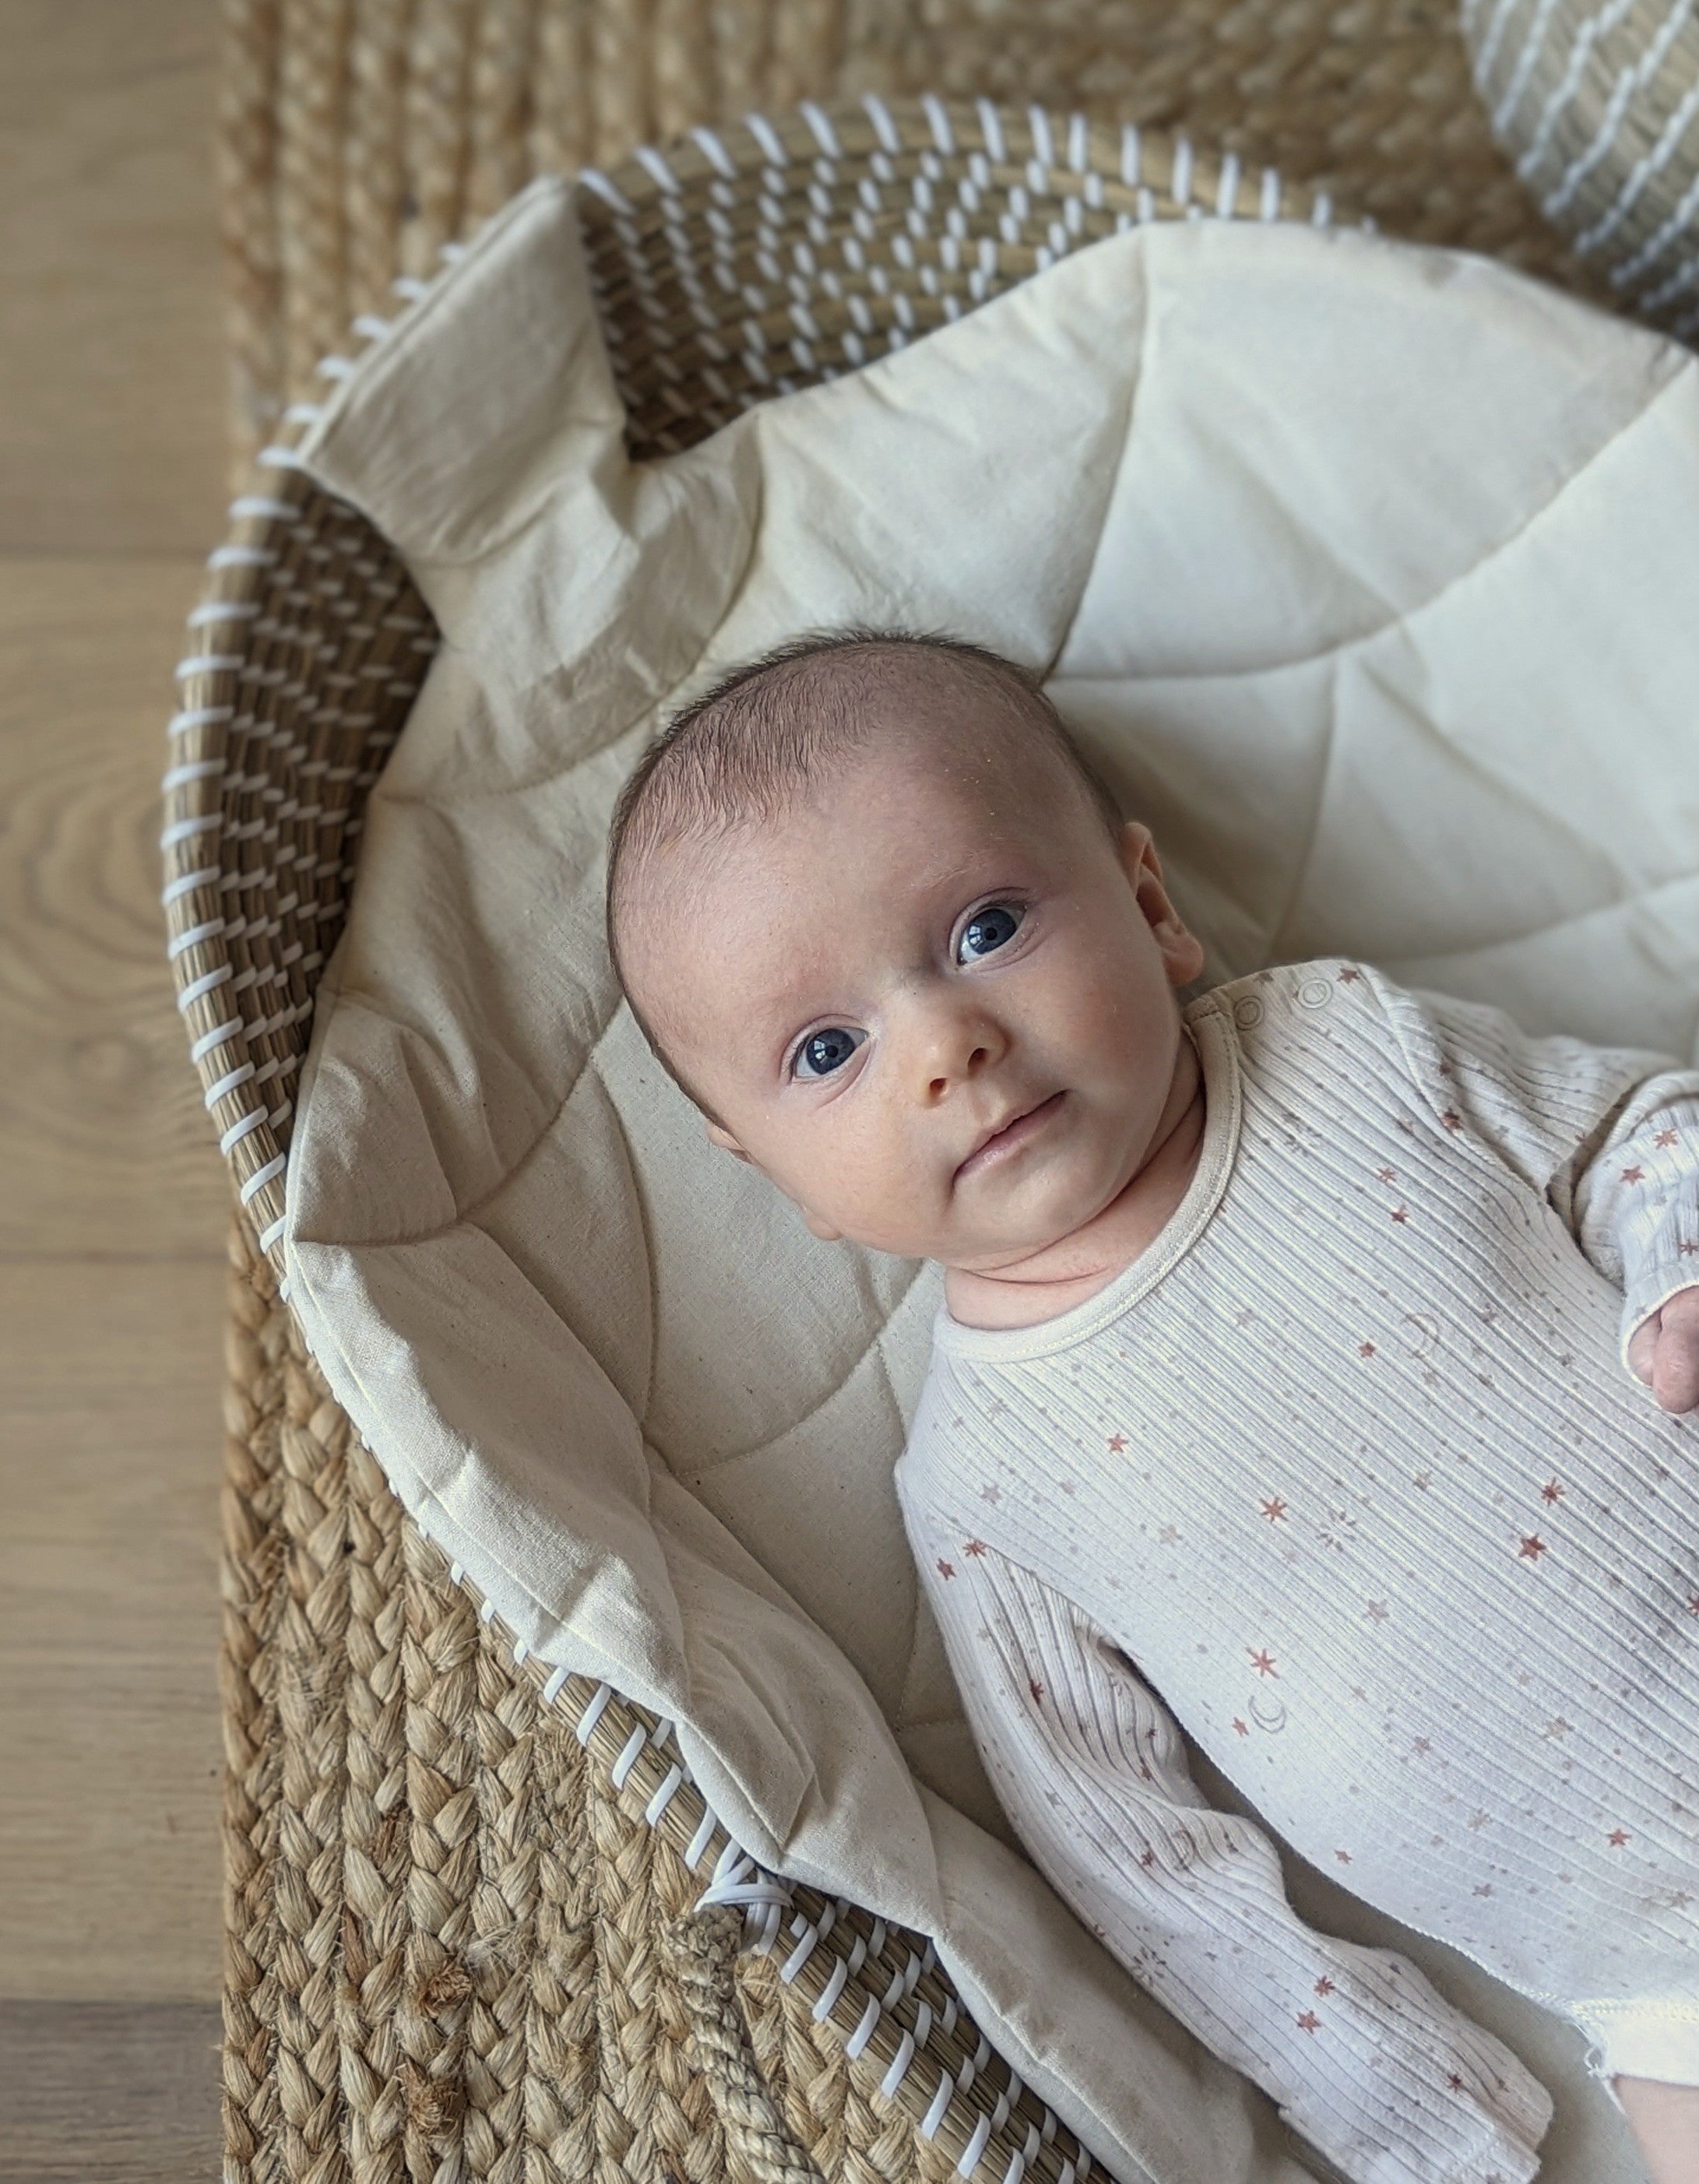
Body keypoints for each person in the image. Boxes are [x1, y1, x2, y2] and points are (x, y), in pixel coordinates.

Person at [603, 626, 1699, 2184]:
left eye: (982, 924)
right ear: (779, 1180)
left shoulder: (1347, 1048)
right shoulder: (983, 1484)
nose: (943, 1041)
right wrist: (1405, 2099)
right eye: (826, 1048)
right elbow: (1130, 1850)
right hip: (1662, 1979)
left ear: (1150, 904)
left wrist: (1672, 1265)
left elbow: (1632, 1130)